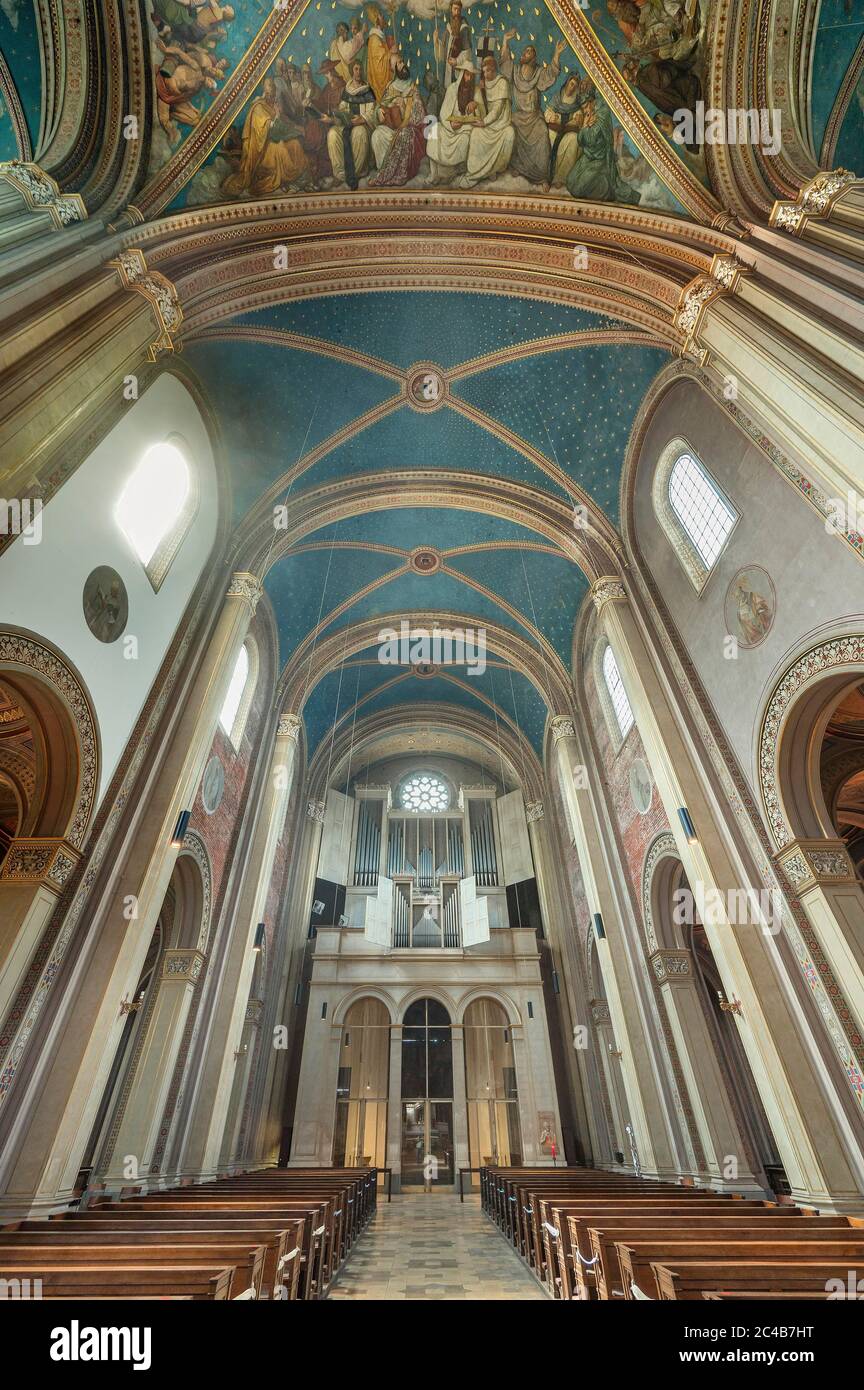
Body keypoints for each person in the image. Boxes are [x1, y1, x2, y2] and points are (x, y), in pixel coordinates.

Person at [222, 76, 310, 197]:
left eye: (273, 86)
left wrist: (295, 127)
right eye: (269, 85)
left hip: (275, 138)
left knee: (295, 143)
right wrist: (277, 118)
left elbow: (283, 122)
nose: (272, 88)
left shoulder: (274, 104)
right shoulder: (258, 107)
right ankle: (285, 178)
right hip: (262, 147)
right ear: (264, 88)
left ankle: (298, 178)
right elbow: (268, 128)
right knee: (280, 149)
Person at [499, 32, 566, 184]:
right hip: (519, 116)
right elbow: (504, 65)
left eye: (528, 51)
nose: (524, 53)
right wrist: (505, 42)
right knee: (509, 128)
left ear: (533, 57)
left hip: (534, 117)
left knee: (543, 132)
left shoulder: (538, 73)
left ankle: (542, 176)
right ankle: (518, 167)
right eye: (524, 51)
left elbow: (549, 75)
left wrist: (556, 55)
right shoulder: (515, 71)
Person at [564, 92, 640, 202]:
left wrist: (584, 128)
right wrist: (585, 126)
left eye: (585, 107)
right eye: (583, 108)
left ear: (591, 102)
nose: (585, 111)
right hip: (588, 156)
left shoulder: (602, 113)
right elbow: (581, 141)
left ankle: (606, 189)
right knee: (570, 182)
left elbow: (590, 139)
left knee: (577, 189)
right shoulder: (590, 113)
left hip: (600, 158)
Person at [425, 50, 482, 185]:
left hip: (465, 129)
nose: (468, 79)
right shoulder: (452, 89)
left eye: (471, 76)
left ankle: (453, 172)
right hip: (449, 127)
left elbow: (481, 117)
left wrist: (476, 105)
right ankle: (434, 174)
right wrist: (451, 125)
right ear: (462, 75)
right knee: (434, 129)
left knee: (466, 139)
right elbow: (444, 113)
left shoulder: (476, 91)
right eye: (467, 75)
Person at [459, 53, 514, 187]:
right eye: (483, 71)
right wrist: (475, 104)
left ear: (494, 69)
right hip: (488, 123)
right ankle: (473, 174)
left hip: (500, 124)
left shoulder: (502, 82)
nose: (485, 74)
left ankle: (492, 169)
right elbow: (481, 104)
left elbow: (497, 109)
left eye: (488, 71)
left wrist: (484, 122)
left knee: (510, 133)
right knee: (476, 134)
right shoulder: (483, 85)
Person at [369, 60, 427, 186]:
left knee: (403, 135)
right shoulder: (391, 86)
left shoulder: (412, 88)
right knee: (377, 135)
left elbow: (419, 115)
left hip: (409, 128)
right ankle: (383, 169)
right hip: (391, 126)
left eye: (402, 62)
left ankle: (393, 175)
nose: (403, 65)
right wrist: (379, 111)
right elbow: (380, 105)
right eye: (399, 64)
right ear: (396, 69)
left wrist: (405, 105)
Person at [322, 59, 375, 188]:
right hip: (348, 123)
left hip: (362, 125)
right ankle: (340, 174)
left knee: (360, 133)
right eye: (356, 69)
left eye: (360, 69)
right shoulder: (347, 89)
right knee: (333, 133)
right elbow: (343, 107)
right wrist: (340, 115)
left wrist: (362, 119)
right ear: (352, 71)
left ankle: (355, 174)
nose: (358, 72)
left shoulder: (367, 90)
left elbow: (372, 112)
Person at [545, 73, 593, 187]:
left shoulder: (577, 102)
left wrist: (576, 119)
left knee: (573, 139)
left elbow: (579, 117)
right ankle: (545, 175)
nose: (572, 88)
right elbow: (548, 112)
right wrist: (553, 116)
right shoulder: (557, 97)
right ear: (567, 83)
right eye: (571, 84)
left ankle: (560, 178)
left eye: (575, 86)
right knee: (547, 137)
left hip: (567, 130)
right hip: (555, 128)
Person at [433, 0, 472, 86]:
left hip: (459, 70)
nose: (457, 12)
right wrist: (436, 42)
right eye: (455, 9)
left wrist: (457, 61)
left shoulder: (464, 28)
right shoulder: (448, 29)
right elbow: (442, 53)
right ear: (451, 9)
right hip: (448, 71)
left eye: (459, 10)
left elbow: (468, 52)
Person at [365, 5, 393, 102]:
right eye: (381, 16)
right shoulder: (374, 39)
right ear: (377, 20)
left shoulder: (379, 37)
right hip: (380, 82)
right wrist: (391, 52)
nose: (383, 18)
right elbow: (378, 66)